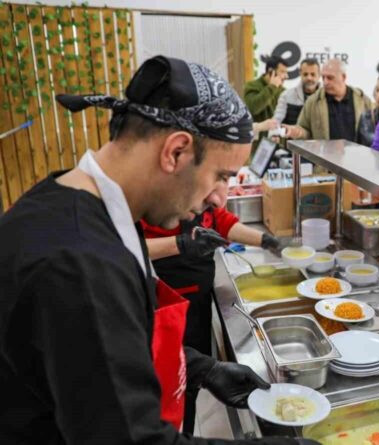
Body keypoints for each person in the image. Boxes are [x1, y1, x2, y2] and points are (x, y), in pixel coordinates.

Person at [0, 55, 315, 445]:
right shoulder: (79, 264)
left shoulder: (79, 201)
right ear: (176, 152)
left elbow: (108, 345)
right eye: (220, 176)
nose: (220, 200)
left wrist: (202, 368)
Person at [141, 181, 286, 432]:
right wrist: (182, 243)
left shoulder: (207, 203)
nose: (218, 198)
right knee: (169, 377)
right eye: (215, 180)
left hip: (199, 302)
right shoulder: (159, 203)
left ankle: (186, 420)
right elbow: (131, 247)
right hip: (168, 308)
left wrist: (266, 241)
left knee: (191, 374)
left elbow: (224, 222)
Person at [285, 59, 373, 141]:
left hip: (356, 156)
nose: (325, 82)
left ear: (343, 77)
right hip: (324, 157)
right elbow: (304, 129)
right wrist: (297, 132)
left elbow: (374, 131)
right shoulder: (313, 102)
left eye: (330, 78)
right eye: (323, 78)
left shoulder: (362, 100)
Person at [272, 58, 321, 126]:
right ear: (300, 73)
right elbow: (277, 119)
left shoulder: (328, 96)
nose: (309, 78)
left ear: (319, 75)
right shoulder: (286, 95)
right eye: (305, 74)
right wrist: (274, 134)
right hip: (293, 136)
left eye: (313, 74)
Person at [244, 55, 289, 127]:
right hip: (259, 136)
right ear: (271, 71)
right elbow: (253, 108)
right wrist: (272, 87)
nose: (286, 76)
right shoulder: (252, 86)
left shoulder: (283, 91)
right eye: (283, 72)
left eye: (286, 72)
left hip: (277, 136)